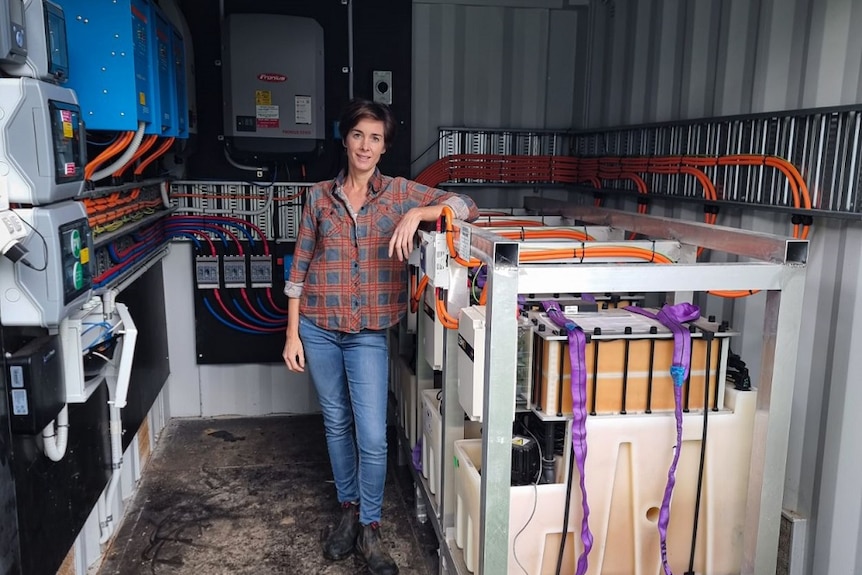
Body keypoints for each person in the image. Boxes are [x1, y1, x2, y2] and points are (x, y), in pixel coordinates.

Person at [282, 98, 479, 575]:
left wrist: (421, 214)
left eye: (375, 138)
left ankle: (371, 526)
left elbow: (466, 206)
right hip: (318, 324)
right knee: (335, 422)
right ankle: (348, 512)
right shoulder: (317, 198)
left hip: (369, 329)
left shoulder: (397, 194)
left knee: (371, 433)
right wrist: (293, 334)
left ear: (384, 146)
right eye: (358, 135)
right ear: (344, 139)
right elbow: (299, 267)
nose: (365, 146)